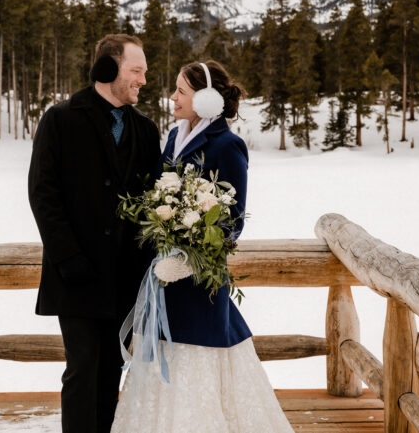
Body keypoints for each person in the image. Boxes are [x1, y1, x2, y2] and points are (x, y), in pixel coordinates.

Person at [111, 60, 293, 433]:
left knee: (197, 372)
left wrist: (188, 261)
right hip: (161, 284)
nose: (172, 97)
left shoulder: (227, 146)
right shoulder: (175, 138)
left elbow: (232, 221)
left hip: (198, 286)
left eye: (181, 91)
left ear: (207, 99)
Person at [28, 34, 161, 433]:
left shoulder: (146, 129)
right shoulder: (61, 119)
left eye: (144, 73)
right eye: (136, 71)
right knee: (82, 371)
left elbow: (155, 203)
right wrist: (69, 259)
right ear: (108, 69)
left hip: (126, 280)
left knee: (111, 373)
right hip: (76, 277)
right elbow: (43, 194)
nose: (142, 80)